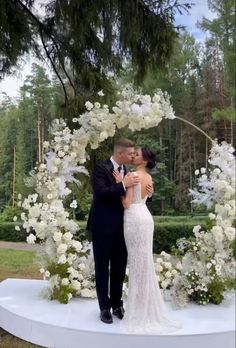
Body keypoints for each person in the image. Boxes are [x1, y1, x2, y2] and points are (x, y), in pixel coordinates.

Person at [113, 147, 181, 333]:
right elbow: (146, 195)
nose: (134, 156)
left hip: (134, 218)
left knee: (137, 265)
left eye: (137, 154)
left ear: (143, 160)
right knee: (144, 263)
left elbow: (126, 203)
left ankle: (140, 310)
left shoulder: (133, 175)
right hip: (145, 216)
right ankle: (145, 307)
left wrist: (120, 184)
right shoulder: (149, 177)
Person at [87, 138, 141, 324]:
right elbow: (101, 193)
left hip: (124, 228)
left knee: (119, 267)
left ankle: (118, 304)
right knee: (102, 268)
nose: (132, 156)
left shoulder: (128, 172)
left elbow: (131, 198)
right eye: (129, 153)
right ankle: (104, 308)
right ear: (120, 154)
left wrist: (147, 193)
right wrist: (123, 184)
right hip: (102, 227)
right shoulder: (100, 169)